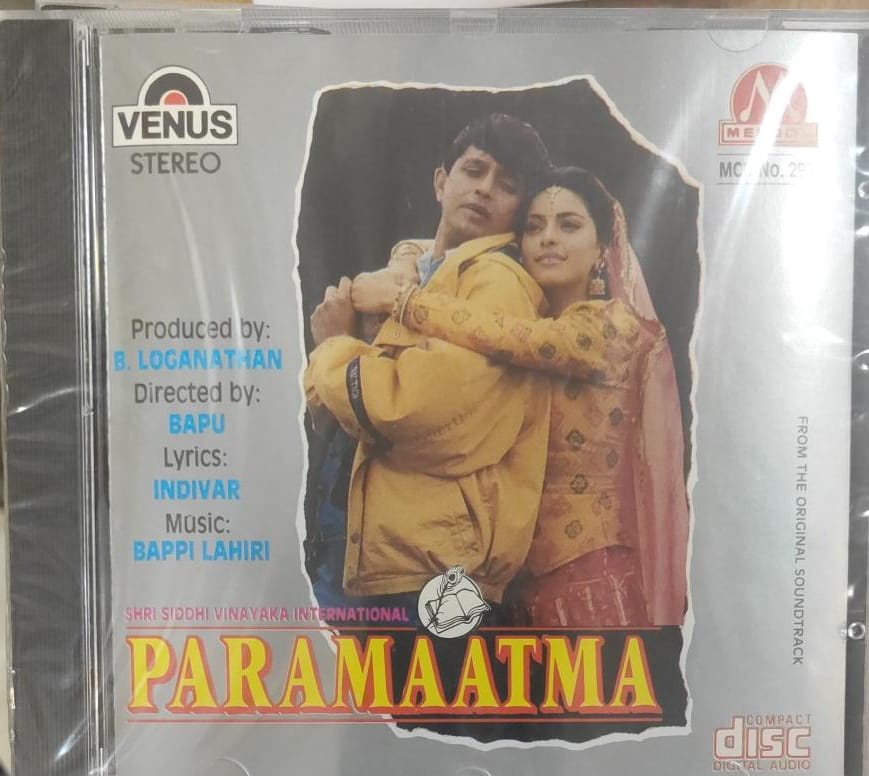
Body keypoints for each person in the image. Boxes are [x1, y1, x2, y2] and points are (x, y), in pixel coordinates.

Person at [350, 166, 689, 626]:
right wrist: (407, 257)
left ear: (601, 250)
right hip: (512, 589)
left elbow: (520, 339)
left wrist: (404, 300)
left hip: (592, 583)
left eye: (569, 225)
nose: (548, 238)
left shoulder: (613, 328)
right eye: (533, 227)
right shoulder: (516, 315)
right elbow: (443, 257)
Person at [303, 114, 552, 618]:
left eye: (506, 185)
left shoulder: (500, 284)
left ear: (518, 212)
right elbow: (321, 407)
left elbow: (412, 409)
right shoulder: (405, 275)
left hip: (436, 571)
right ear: (441, 182)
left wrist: (332, 346)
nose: (484, 189)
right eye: (474, 170)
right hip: (361, 547)